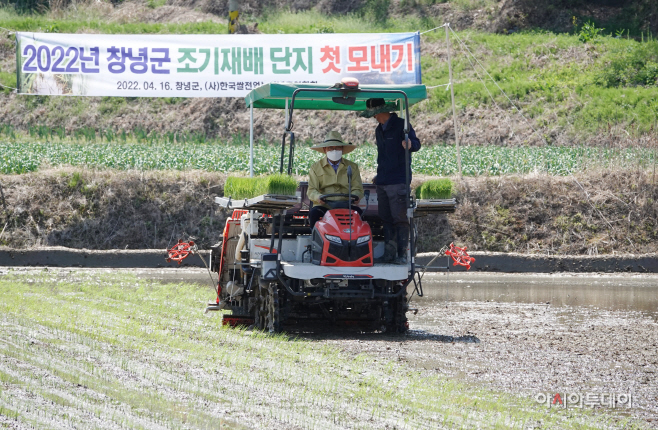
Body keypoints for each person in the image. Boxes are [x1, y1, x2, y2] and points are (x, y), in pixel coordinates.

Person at [361, 98, 421, 264]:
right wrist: (379, 175)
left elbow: (417, 144)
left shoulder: (402, 125)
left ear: (380, 112)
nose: (373, 117)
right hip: (383, 181)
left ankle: (401, 255)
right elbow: (383, 157)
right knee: (386, 217)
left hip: (399, 180)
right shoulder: (379, 130)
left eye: (374, 114)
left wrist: (409, 144)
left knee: (400, 218)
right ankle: (389, 254)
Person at [307, 131, 364, 229]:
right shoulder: (315, 167)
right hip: (324, 206)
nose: (334, 150)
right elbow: (311, 190)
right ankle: (315, 241)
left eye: (337, 148)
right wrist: (319, 197)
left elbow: (357, 188)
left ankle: (357, 242)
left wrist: (356, 196)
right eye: (331, 148)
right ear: (325, 150)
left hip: (347, 205)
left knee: (360, 214)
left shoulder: (352, 167)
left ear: (342, 149)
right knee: (314, 214)